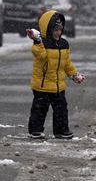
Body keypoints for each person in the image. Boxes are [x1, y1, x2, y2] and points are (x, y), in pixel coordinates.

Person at [26, 10, 85, 139]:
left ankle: (61, 130)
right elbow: (41, 56)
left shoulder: (64, 44)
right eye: (55, 29)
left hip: (58, 85)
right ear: (47, 29)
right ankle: (35, 130)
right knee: (40, 109)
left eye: (60, 29)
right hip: (42, 85)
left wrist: (74, 74)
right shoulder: (42, 44)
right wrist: (37, 40)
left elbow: (66, 63)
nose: (58, 32)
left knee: (61, 109)